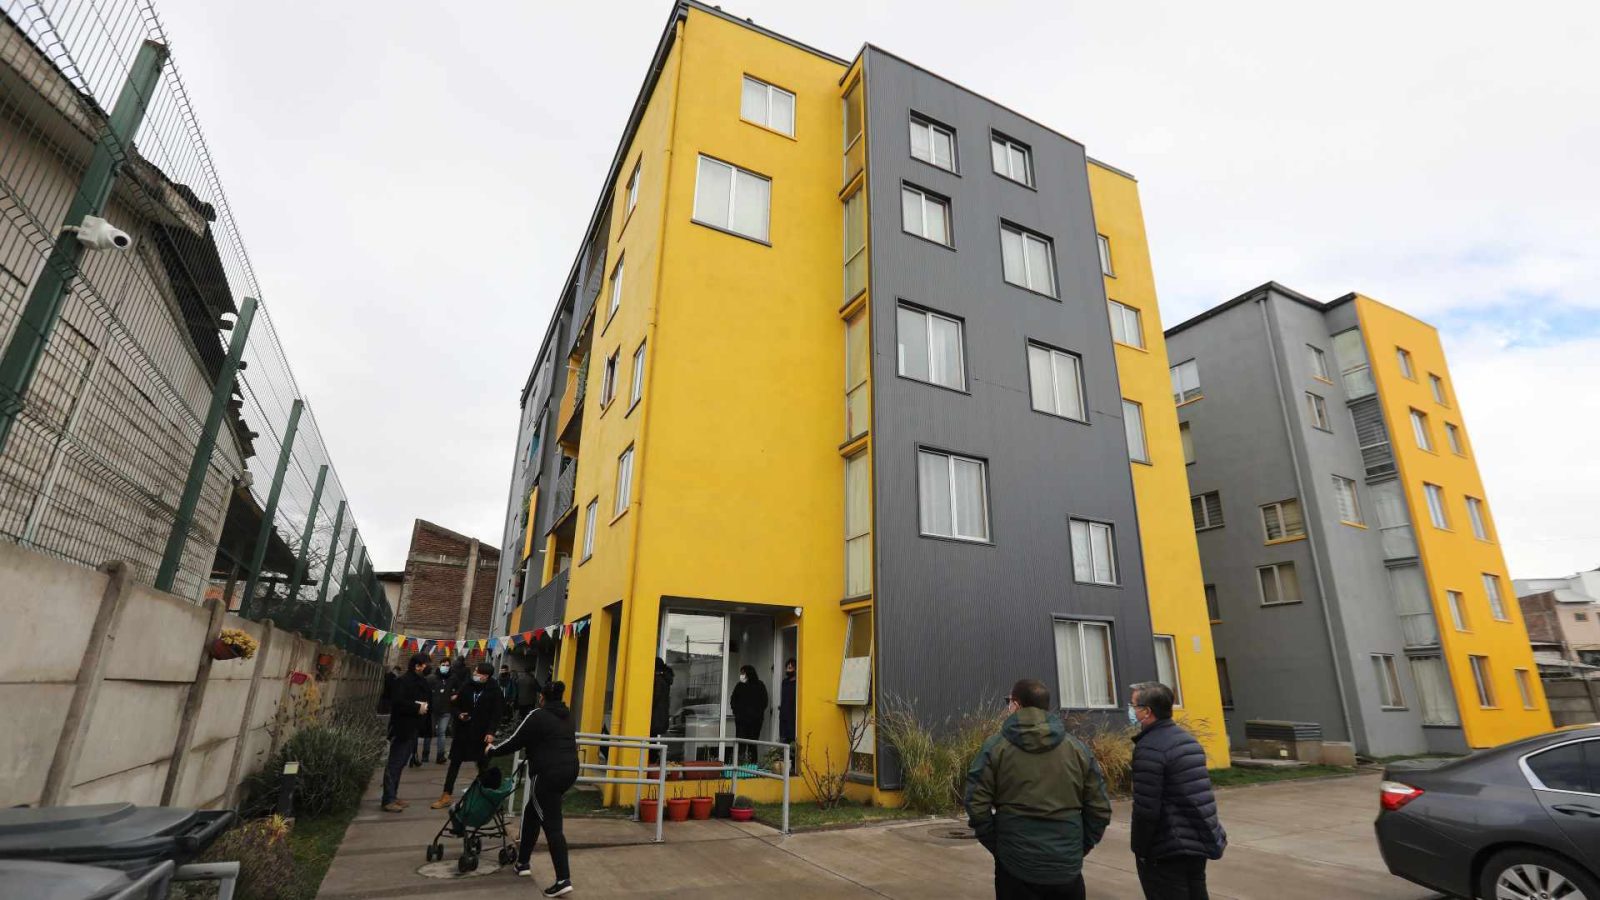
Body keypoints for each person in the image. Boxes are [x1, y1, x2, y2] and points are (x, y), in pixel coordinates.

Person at [965, 678, 1112, 899]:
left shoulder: (995, 748)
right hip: (1066, 866)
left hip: (1014, 864)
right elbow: (1099, 809)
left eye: (1008, 702)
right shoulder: (1078, 750)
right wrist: (1078, 847)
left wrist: (998, 844)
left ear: (1016, 705)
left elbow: (975, 803)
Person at [1129, 682, 1225, 900]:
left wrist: (1140, 848)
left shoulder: (1150, 748)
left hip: (1167, 849)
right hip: (1196, 842)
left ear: (1147, 712)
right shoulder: (1188, 740)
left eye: (1134, 706)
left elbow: (1146, 809)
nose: (1132, 711)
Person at [489, 680, 579, 898]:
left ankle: (563, 879)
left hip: (547, 774)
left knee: (552, 825)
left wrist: (492, 750)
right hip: (569, 771)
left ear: (542, 697)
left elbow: (515, 741)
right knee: (532, 813)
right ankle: (523, 863)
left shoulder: (537, 715)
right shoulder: (567, 716)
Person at [431, 662, 505, 809]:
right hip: (463, 731)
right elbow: (454, 705)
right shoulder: (467, 686)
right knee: (454, 763)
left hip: (481, 734)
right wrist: (459, 714)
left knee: (483, 765)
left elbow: (496, 714)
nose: (475, 674)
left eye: (478, 672)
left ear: (485, 676)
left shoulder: (494, 691)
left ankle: (485, 796)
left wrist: (491, 732)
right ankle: (446, 794)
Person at [381, 653, 431, 813]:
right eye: (426, 664)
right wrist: (417, 707)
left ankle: (393, 795)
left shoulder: (421, 681)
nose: (428, 667)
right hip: (402, 727)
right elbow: (398, 703)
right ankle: (388, 799)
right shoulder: (403, 681)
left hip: (413, 727)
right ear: (417, 666)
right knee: (395, 763)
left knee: (401, 762)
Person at [729, 664, 768, 765]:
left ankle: (752, 766)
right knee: (740, 744)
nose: (741, 675)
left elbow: (764, 702)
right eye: (741, 673)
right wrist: (736, 712)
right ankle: (739, 765)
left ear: (748, 673)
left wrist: (756, 714)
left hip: (755, 722)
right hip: (741, 721)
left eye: (743, 673)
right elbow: (733, 700)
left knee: (752, 744)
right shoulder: (739, 686)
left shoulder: (759, 685)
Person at [418, 659, 451, 765]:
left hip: (446, 710)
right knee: (429, 732)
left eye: (447, 665)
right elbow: (423, 691)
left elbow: (458, 689)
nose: (445, 667)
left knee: (442, 733)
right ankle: (425, 754)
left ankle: (440, 755)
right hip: (432, 710)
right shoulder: (432, 678)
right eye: (443, 665)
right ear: (439, 665)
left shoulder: (452, 679)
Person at [778, 658, 797, 745]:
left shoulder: (797, 682)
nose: (788, 670)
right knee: (784, 739)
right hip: (784, 715)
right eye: (787, 668)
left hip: (793, 715)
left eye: (791, 667)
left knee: (792, 739)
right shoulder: (784, 682)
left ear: (795, 669)